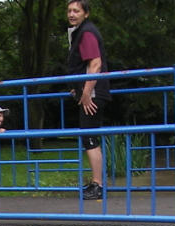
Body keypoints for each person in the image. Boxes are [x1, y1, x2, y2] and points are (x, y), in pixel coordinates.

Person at [66, 0, 110, 201]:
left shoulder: (87, 32)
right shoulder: (80, 31)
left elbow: (95, 64)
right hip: (87, 91)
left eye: (77, 11)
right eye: (69, 10)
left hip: (92, 93)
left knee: (89, 136)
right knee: (88, 135)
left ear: (86, 13)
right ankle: (96, 183)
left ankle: (97, 184)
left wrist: (85, 93)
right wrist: (76, 88)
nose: (72, 14)